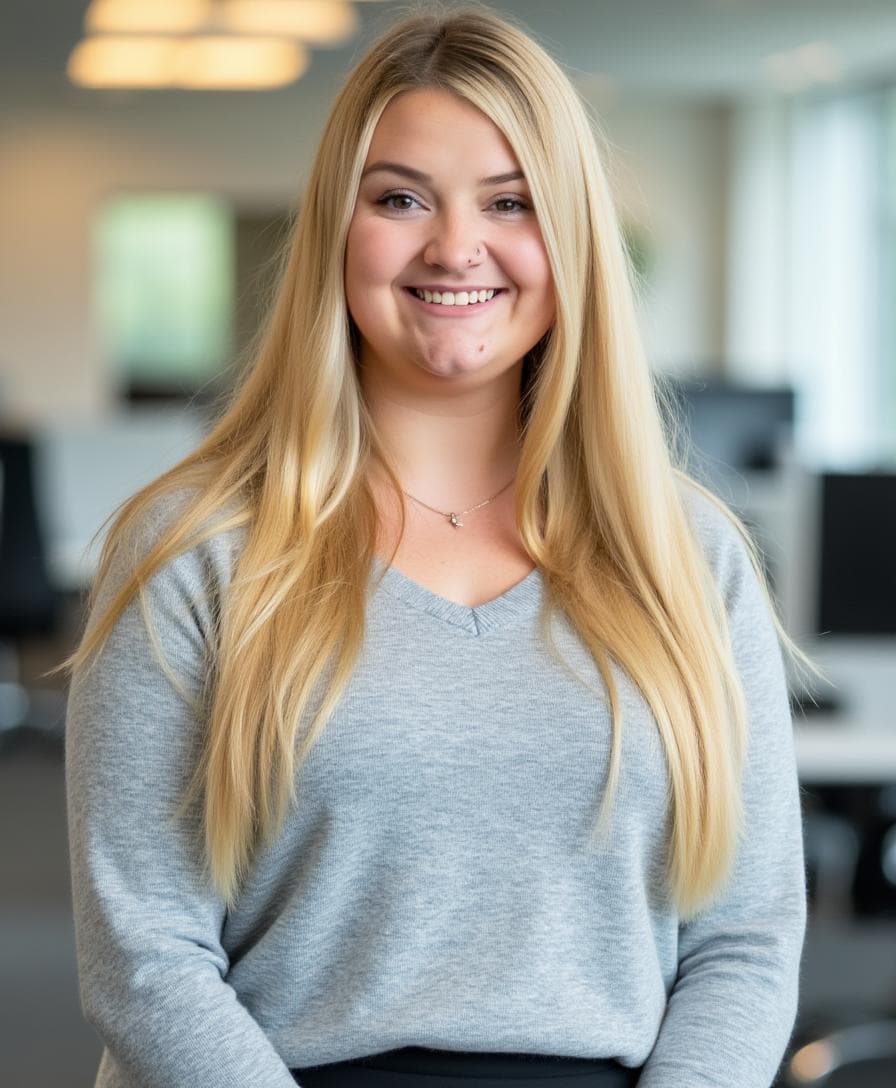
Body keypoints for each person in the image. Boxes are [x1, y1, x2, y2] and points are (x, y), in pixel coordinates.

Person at [59, 5, 810, 1087]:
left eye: (508, 202)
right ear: (335, 229)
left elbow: (745, 934)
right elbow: (142, 955)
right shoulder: (195, 548)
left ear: (570, 238)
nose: (455, 245)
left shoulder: (684, 553)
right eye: (400, 197)